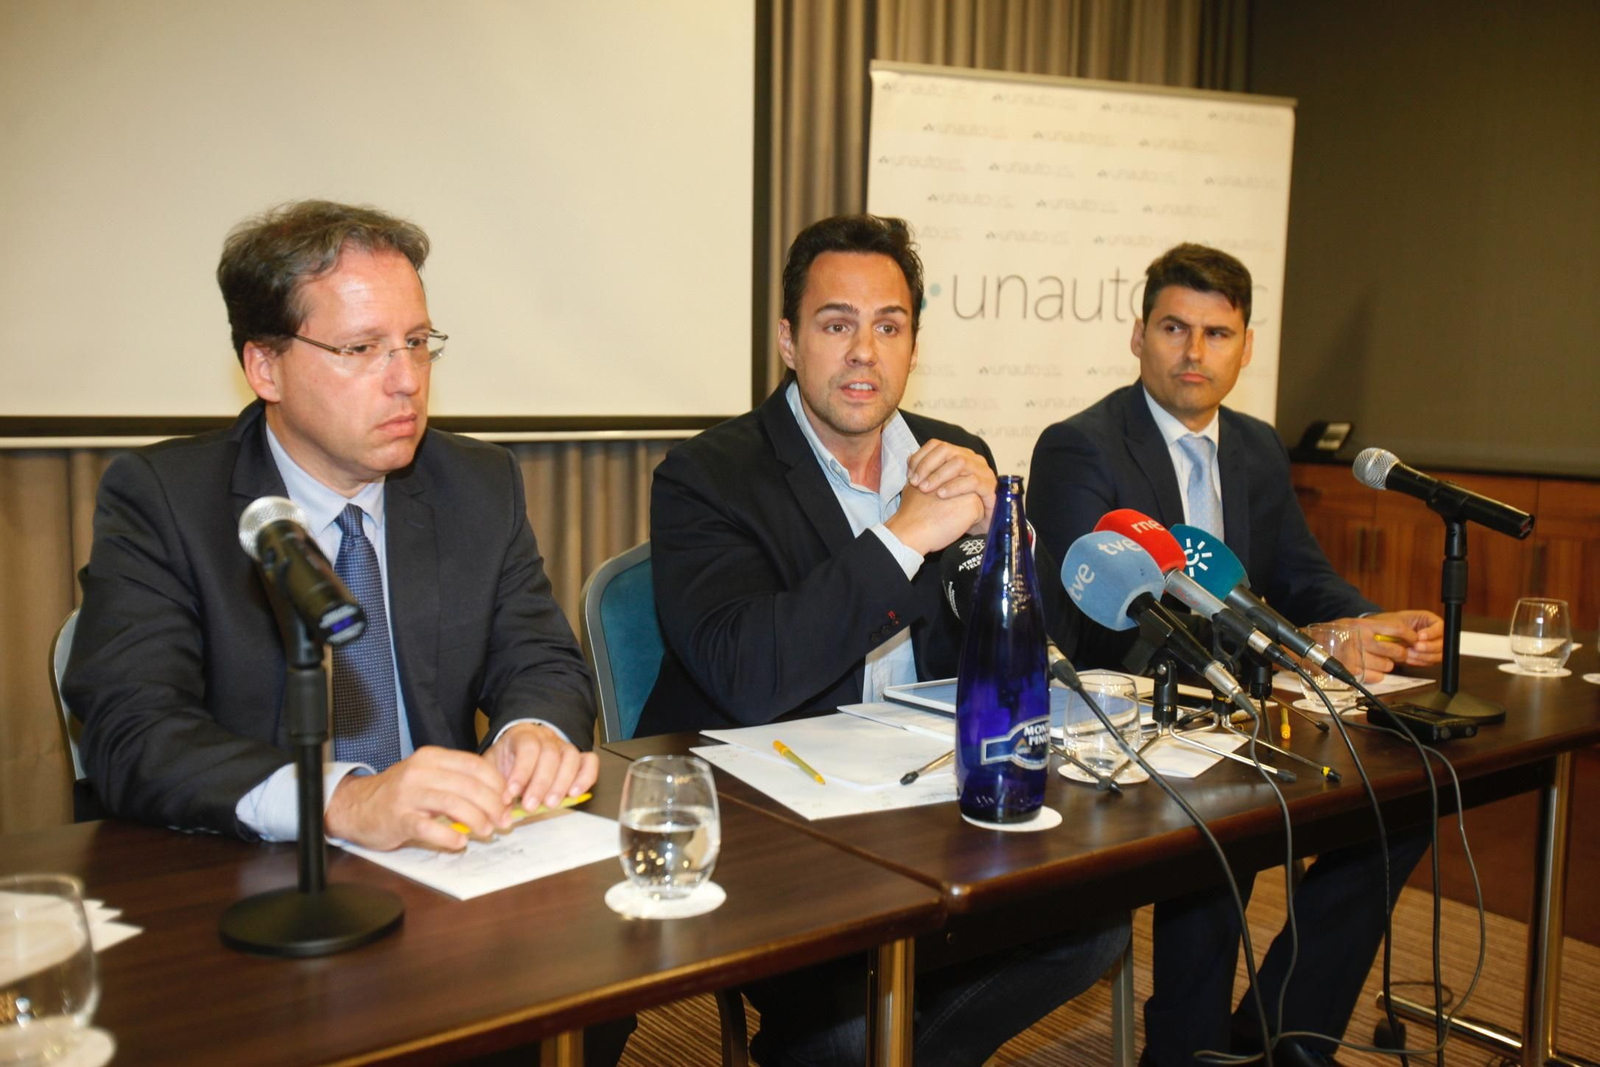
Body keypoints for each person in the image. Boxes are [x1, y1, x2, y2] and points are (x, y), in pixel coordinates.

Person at [641, 213, 1129, 1067]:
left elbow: (1036, 648)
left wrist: (1007, 531)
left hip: (929, 807)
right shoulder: (708, 475)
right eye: (837, 324)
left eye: (889, 326)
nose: (864, 351)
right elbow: (749, 671)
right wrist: (904, 535)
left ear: (913, 343)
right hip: (781, 831)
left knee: (1086, 927)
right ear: (790, 341)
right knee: (844, 1025)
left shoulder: (958, 455)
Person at [64, 200, 600, 850]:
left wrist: (532, 732)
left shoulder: (476, 483)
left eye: (417, 342)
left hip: (449, 865)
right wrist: (343, 799)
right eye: (362, 348)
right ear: (265, 367)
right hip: (250, 874)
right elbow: (133, 731)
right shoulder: (166, 502)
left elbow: (542, 658)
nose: (406, 380)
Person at [1029, 242, 1440, 1066]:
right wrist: (1309, 645)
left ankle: (1282, 1030)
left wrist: (1375, 623)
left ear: (1246, 346)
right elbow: (1114, 618)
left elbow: (1303, 575)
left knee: (1409, 798)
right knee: (1228, 829)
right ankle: (1182, 1048)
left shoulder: (1252, 445)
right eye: (1174, 327)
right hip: (1134, 713)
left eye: (1217, 333)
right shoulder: (1082, 446)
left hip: (1247, 700)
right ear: (1138, 335)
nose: (1194, 352)